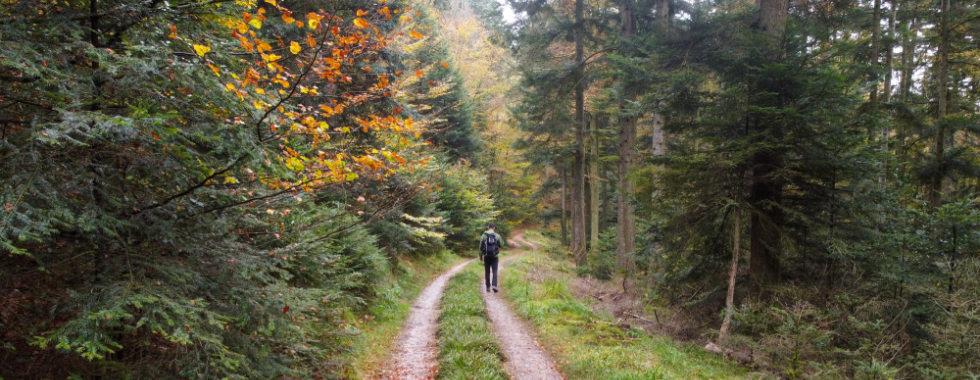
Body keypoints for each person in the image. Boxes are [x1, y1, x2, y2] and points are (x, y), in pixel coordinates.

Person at [479, 222, 504, 293]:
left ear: (488, 227)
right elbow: (502, 244)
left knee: (487, 271)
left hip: (486, 256)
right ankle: (494, 285)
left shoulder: (483, 235)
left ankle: (487, 287)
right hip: (495, 256)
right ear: (494, 228)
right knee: (495, 271)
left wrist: (481, 256)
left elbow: (480, 247)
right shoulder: (497, 235)